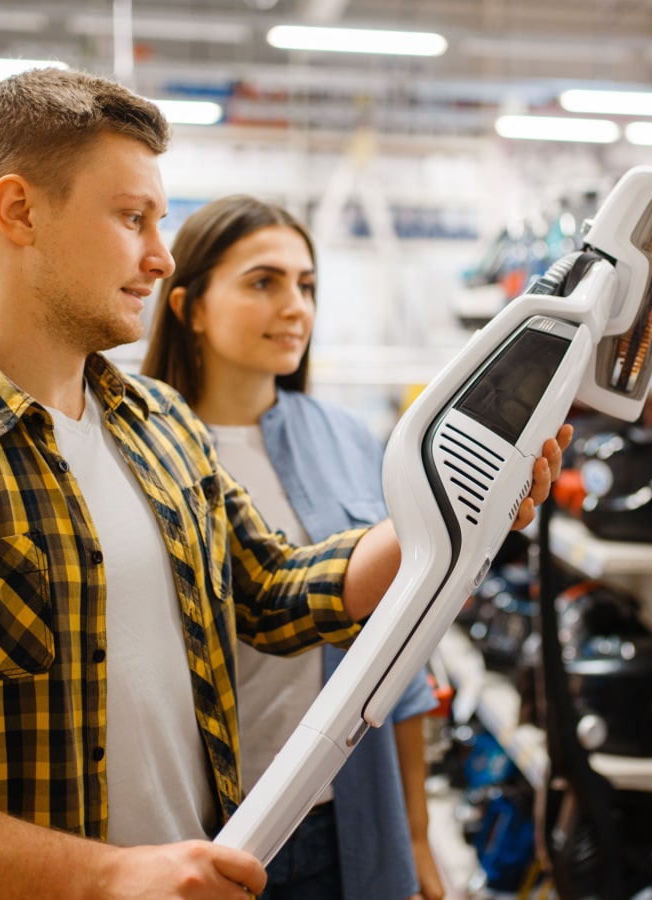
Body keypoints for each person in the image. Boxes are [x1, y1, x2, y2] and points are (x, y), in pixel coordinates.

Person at [0, 67, 567, 900]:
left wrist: (452, 512)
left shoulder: (160, 426)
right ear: (18, 211)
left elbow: (269, 592)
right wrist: (106, 879)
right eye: (131, 218)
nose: (160, 255)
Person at [142, 195, 444, 900]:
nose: (295, 307)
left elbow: (400, 659)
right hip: (196, 833)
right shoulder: (140, 445)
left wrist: (419, 837)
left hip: (340, 819)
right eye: (263, 282)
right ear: (189, 306)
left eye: (305, 285)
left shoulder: (348, 442)